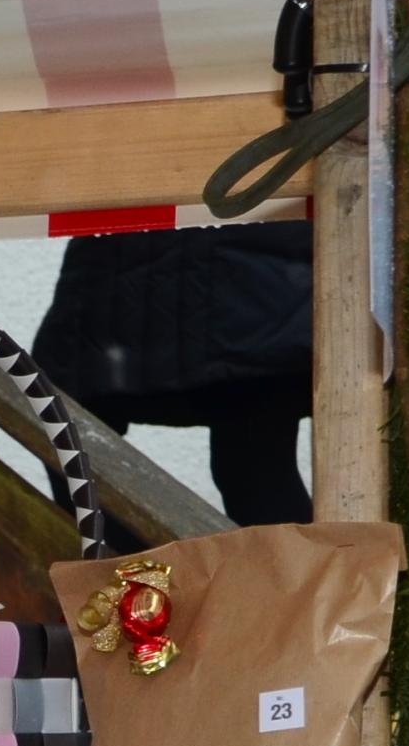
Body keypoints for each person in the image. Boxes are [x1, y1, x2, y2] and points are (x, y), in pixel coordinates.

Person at [29, 223, 315, 526]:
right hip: (222, 259)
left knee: (253, 463)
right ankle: (149, 557)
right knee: (254, 463)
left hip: (240, 257)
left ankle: (145, 557)